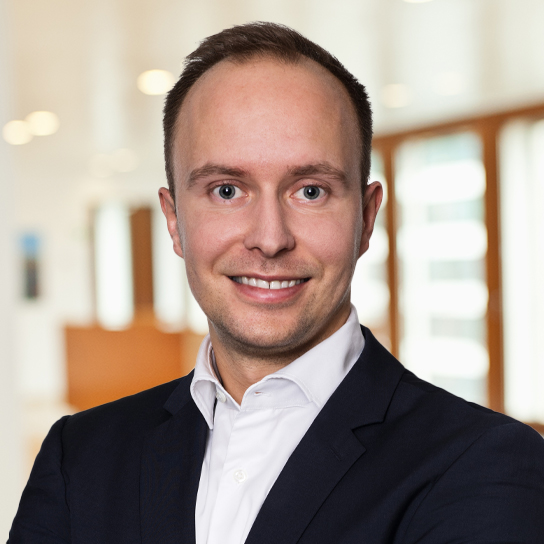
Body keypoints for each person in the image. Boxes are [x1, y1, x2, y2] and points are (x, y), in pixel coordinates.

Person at [9, 22, 544, 544]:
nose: (270, 239)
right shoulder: (79, 456)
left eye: (310, 191)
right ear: (174, 221)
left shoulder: (485, 465)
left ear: (366, 219)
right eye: (226, 190)